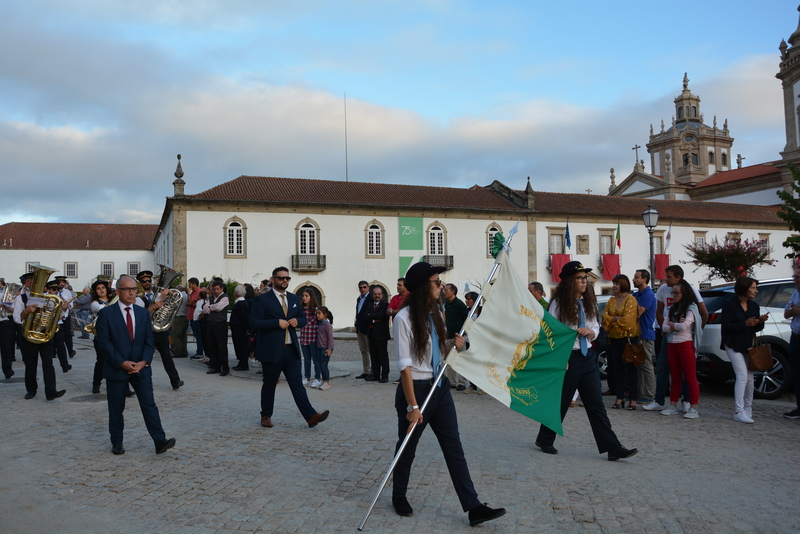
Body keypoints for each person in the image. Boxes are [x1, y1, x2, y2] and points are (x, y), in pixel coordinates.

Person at [391, 261, 506, 527]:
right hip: (416, 391)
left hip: (440, 387)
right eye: (436, 282)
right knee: (407, 447)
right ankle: (399, 496)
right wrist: (412, 407)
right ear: (422, 287)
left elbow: (437, 354)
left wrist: (457, 346)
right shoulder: (402, 319)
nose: (441, 287)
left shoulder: (437, 314)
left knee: (454, 448)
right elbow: (405, 368)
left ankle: (474, 507)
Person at [534, 261, 638, 461]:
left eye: (585, 278)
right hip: (568, 357)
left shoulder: (588, 301)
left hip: (587, 356)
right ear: (569, 282)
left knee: (596, 405)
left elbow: (595, 326)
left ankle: (612, 447)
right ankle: (545, 438)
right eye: (579, 278)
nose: (584, 282)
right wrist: (559, 356)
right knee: (562, 403)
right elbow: (550, 332)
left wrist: (591, 332)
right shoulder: (557, 304)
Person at [94, 275, 176, 455]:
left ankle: (159, 441)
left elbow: (149, 340)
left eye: (134, 289)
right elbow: (104, 343)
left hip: (141, 368)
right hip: (117, 368)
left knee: (149, 405)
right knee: (116, 408)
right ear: (118, 291)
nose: (132, 292)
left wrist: (144, 361)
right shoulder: (106, 313)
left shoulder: (142, 313)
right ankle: (117, 442)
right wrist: (121, 362)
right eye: (127, 289)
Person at [249, 267, 329, 429]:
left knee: (297, 384)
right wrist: (276, 323)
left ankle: (311, 416)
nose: (285, 281)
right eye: (281, 278)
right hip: (271, 349)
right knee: (270, 384)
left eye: (287, 278)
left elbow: (302, 318)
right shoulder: (263, 300)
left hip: (291, 349)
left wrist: (297, 322)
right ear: (273, 280)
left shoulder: (293, 298)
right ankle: (266, 415)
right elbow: (254, 322)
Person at [643, 265, 708, 412]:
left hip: (685, 339)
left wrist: (696, 331)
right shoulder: (663, 290)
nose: (666, 279)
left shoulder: (690, 291)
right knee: (662, 367)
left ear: (678, 278)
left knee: (687, 371)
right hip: (668, 336)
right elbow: (659, 312)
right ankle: (659, 400)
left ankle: (687, 400)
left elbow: (703, 313)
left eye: (669, 276)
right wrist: (666, 329)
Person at [721, 277, 769, 423]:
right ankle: (738, 410)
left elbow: (756, 328)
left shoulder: (754, 306)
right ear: (744, 288)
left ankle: (748, 408)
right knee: (742, 376)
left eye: (756, 287)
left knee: (749, 378)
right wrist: (745, 323)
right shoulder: (730, 304)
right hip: (732, 344)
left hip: (748, 345)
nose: (756, 290)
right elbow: (726, 327)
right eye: (753, 287)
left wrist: (760, 322)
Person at [14, 272, 66, 401]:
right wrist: (26, 311)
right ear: (26, 283)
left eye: (37, 281)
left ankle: (51, 391)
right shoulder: (21, 299)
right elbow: (16, 319)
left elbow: (57, 316)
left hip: (45, 335)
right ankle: (31, 390)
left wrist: (62, 309)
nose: (35, 284)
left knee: (48, 364)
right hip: (29, 336)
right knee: (31, 364)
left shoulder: (49, 298)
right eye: (32, 281)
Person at [660, 279, 703, 419]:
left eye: (676, 293)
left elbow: (685, 326)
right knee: (675, 377)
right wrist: (675, 324)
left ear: (684, 293)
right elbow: (664, 327)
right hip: (672, 344)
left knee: (690, 377)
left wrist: (673, 325)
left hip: (686, 345)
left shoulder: (691, 308)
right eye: (673, 293)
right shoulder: (672, 308)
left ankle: (693, 407)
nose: (674, 295)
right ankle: (673, 405)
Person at [135, 271, 183, 389]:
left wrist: (168, 291)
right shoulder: (138, 298)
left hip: (160, 331)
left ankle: (175, 380)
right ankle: (142, 382)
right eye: (144, 281)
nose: (147, 283)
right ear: (140, 284)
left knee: (167, 357)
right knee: (146, 359)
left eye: (149, 281)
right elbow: (140, 315)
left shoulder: (158, 294)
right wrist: (153, 307)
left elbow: (171, 302)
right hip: (147, 332)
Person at [601, 274, 640, 410]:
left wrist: (612, 320)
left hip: (629, 338)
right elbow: (604, 317)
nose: (614, 286)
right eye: (613, 284)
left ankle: (633, 398)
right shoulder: (611, 300)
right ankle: (620, 397)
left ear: (623, 284)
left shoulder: (631, 300)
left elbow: (628, 321)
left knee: (631, 369)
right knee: (617, 369)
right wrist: (614, 319)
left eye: (616, 284)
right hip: (614, 338)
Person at [633, 269, 657, 404]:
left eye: (636, 277)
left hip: (645, 334)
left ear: (644, 279)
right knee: (639, 365)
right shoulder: (637, 294)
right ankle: (640, 393)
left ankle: (649, 394)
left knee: (647, 364)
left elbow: (636, 313)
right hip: (638, 334)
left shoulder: (648, 295)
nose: (634, 279)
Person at [442, 283, 469, 391]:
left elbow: (466, 319)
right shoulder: (447, 304)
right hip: (449, 336)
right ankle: (452, 382)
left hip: (459, 336)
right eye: (444, 290)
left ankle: (462, 382)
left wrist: (463, 334)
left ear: (453, 291)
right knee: (449, 360)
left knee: (461, 359)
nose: (444, 292)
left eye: (446, 290)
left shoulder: (459, 304)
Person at [203, 280, 230, 376]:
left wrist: (210, 307)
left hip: (220, 324)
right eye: (214, 289)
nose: (216, 291)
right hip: (211, 324)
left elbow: (219, 307)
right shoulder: (211, 298)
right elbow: (205, 309)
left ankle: (225, 368)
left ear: (222, 289)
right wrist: (211, 308)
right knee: (212, 346)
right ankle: (215, 367)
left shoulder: (225, 298)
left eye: (217, 289)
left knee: (222, 347)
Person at [783, 267, 800, 419]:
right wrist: (794, 309)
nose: (794, 279)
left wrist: (793, 308)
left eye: (797, 277)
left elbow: (792, 309)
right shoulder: (795, 293)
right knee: (796, 374)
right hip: (795, 338)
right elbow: (786, 312)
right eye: (794, 276)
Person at [366, 286, 390, 383]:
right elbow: (364, 317)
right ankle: (375, 374)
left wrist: (370, 316)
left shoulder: (385, 305)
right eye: (375, 294)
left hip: (381, 334)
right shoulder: (370, 305)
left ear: (382, 295)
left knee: (382, 356)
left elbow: (381, 315)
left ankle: (384, 375)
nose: (377, 296)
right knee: (373, 355)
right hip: (371, 333)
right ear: (372, 295)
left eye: (379, 294)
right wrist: (373, 318)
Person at [299, 289, 320, 386]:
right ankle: (307, 377)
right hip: (304, 337)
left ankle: (317, 378)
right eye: (303, 295)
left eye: (306, 295)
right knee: (306, 359)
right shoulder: (300, 310)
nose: (304, 298)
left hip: (314, 338)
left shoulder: (316, 310)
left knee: (316, 359)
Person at [354, 280, 373, 379]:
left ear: (368, 288)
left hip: (368, 328)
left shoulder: (371, 298)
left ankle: (373, 371)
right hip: (359, 328)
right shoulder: (359, 299)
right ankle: (366, 371)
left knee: (371, 350)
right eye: (361, 287)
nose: (362, 289)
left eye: (364, 287)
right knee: (363, 350)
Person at [230, 285, 251, 371]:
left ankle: (243, 364)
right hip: (238, 328)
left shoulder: (241, 303)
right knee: (239, 346)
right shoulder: (240, 302)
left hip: (239, 329)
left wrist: (246, 329)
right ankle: (241, 362)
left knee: (241, 346)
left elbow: (244, 317)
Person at [316, 306, 334, 390]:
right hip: (320, 347)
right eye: (317, 313)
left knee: (324, 365)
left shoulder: (327, 325)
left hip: (325, 348)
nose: (317, 315)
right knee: (320, 365)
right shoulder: (320, 324)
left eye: (319, 313)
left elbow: (330, 338)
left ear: (325, 315)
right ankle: (323, 381)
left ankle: (326, 382)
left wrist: (329, 348)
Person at [186, 277, 204, 358]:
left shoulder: (198, 292)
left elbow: (190, 303)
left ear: (194, 284)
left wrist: (189, 294)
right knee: (196, 335)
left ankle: (200, 352)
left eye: (190, 284)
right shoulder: (193, 292)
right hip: (191, 316)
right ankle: (199, 351)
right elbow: (188, 303)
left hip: (196, 317)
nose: (189, 286)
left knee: (198, 335)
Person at [171, 285, 190, 358]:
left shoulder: (180, 295)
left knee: (176, 335)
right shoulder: (186, 295)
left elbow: (173, 305)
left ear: (178, 289)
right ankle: (183, 351)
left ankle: (177, 351)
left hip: (179, 317)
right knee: (183, 336)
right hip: (185, 317)